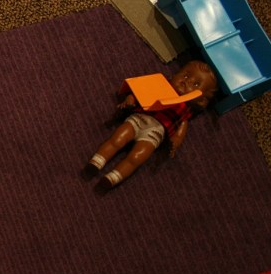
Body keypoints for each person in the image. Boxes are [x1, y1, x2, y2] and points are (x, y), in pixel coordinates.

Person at [87, 60, 218, 187]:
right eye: (185, 75)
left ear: (201, 101)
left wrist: (174, 143)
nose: (187, 81)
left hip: (154, 134)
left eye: (195, 84)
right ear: (173, 75)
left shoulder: (185, 111)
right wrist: (130, 100)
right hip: (138, 120)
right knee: (117, 139)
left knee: (137, 157)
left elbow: (180, 131)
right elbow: (138, 93)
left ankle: (113, 178)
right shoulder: (160, 87)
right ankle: (96, 162)